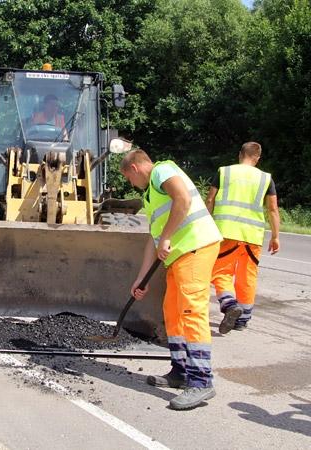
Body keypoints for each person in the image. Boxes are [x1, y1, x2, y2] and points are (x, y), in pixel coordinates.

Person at [120, 148, 222, 410]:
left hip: (196, 247)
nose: (132, 185)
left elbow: (183, 200)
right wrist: (141, 279)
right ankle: (180, 371)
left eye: (129, 179)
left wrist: (166, 237)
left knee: (191, 312)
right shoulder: (151, 196)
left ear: (134, 169)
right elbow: (153, 241)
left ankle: (201, 381)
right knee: (173, 312)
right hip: (179, 256)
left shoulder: (162, 170)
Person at [205, 141, 280, 333]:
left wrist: (205, 223)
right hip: (252, 236)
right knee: (247, 276)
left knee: (220, 271)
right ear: (257, 158)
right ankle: (243, 319)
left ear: (240, 154)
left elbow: (210, 199)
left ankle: (230, 305)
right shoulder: (265, 178)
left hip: (226, 232)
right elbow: (272, 209)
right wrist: (275, 236)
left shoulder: (224, 172)